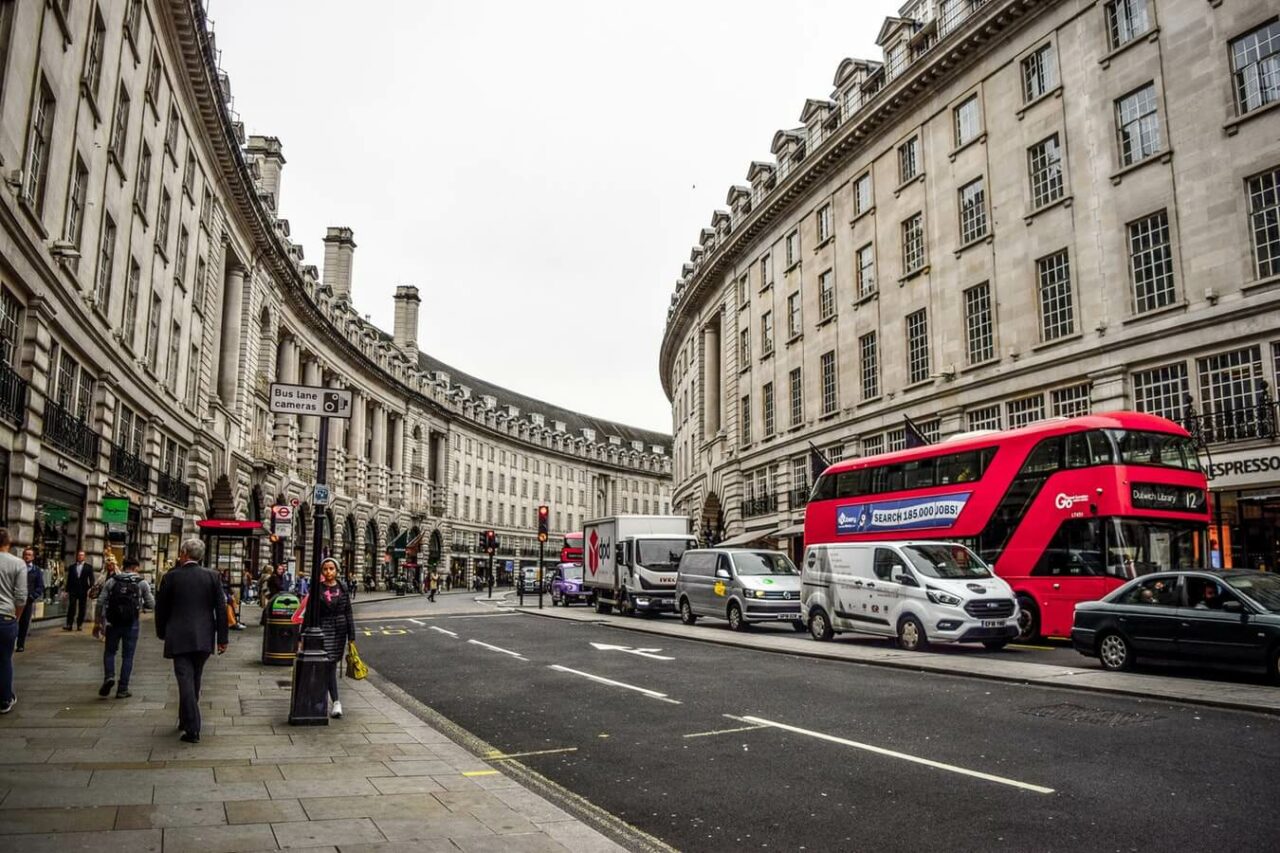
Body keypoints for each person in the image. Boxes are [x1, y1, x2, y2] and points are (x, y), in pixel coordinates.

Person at [154, 538, 227, 743]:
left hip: (179, 636)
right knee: (193, 679)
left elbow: (161, 609)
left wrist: (161, 632)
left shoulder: (171, 577)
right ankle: (185, 718)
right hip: (204, 636)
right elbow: (220, 609)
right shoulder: (212, 576)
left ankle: (193, 728)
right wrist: (222, 638)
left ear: (184, 553)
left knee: (185, 680)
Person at [96, 557, 154, 699]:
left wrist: (98, 622)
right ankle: (123, 688)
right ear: (136, 568)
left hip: (113, 622)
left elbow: (100, 601)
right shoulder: (142, 583)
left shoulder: (112, 581)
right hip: (132, 623)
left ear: (123, 566)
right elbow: (151, 604)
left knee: (110, 652)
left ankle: (109, 676)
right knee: (128, 656)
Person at [315, 558, 355, 718]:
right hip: (323, 628)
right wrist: (301, 636)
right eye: (325, 569)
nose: (328, 572)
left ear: (336, 570)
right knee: (327, 665)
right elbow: (312, 613)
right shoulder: (317, 588)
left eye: (331, 568)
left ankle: (329, 701)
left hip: (339, 630)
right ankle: (335, 702)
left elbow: (348, 612)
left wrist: (351, 635)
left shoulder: (343, 588)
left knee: (330, 665)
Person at [0, 529, 27, 714]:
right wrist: (15, 618)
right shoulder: (18, 564)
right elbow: (21, 597)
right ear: (9, 543)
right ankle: (4, 699)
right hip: (6, 618)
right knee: (4, 660)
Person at [16, 548, 44, 652]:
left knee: (24, 623)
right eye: (25, 554)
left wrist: (32, 596)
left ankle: (20, 644)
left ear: (33, 557)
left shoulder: (36, 570)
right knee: (13, 622)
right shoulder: (18, 568)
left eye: (29, 555)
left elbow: (40, 587)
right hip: (16, 600)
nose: (27, 556)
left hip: (28, 601)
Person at [63, 549, 95, 632]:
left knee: (82, 607)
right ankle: (69, 624)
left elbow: (91, 579)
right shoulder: (72, 567)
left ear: (84, 557)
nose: (80, 557)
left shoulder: (88, 567)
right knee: (71, 606)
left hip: (83, 590)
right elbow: (69, 579)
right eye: (79, 555)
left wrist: (91, 589)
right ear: (77, 556)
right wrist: (66, 591)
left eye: (82, 555)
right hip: (73, 589)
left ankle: (79, 624)